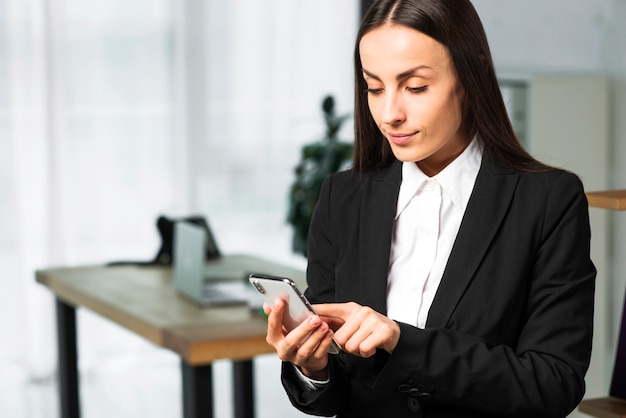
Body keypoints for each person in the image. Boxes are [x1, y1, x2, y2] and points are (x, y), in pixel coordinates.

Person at [264, 0, 596, 417]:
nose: (390, 115)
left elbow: (553, 384)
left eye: (416, 87)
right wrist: (314, 366)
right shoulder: (343, 198)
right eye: (374, 87)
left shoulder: (548, 202)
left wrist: (401, 341)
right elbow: (337, 390)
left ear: (470, 74)